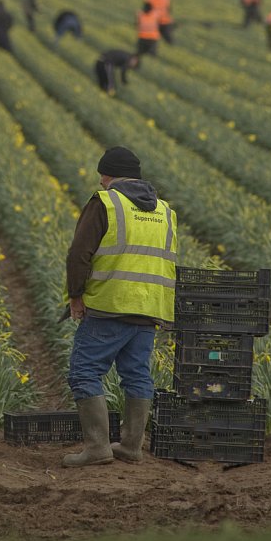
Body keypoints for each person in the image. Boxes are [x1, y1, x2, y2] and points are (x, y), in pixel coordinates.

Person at [63, 146, 177, 468]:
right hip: (149, 308)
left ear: (109, 175)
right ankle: (131, 447)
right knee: (137, 374)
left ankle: (98, 447)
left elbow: (78, 254)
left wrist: (76, 296)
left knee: (85, 371)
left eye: (102, 175)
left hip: (110, 306)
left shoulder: (106, 203)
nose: (100, 182)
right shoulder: (165, 211)